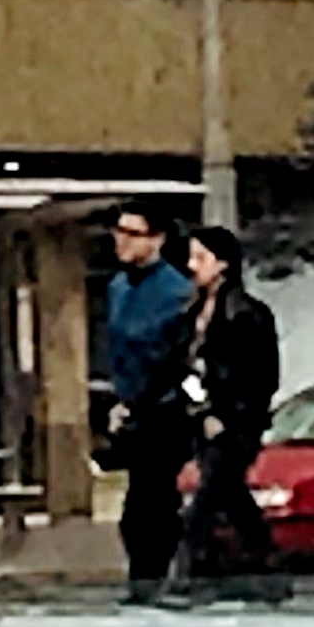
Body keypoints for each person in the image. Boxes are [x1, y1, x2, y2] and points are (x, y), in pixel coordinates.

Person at [167, 226, 280, 596]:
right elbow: (182, 368)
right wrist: (200, 409)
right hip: (201, 417)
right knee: (231, 494)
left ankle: (185, 566)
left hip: (238, 423)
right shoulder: (190, 316)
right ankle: (264, 559)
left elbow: (261, 376)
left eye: (201, 257)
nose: (191, 265)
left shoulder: (247, 315)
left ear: (223, 264)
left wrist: (229, 414)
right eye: (191, 257)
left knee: (212, 490)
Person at [100, 206, 197, 601]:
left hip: (165, 409)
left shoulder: (176, 292)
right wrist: (119, 402)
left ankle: (153, 577)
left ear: (156, 239)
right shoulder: (118, 288)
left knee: (151, 504)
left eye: (132, 233)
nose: (121, 240)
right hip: (133, 408)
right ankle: (148, 577)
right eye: (118, 231)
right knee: (141, 503)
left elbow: (173, 359)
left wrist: (146, 400)